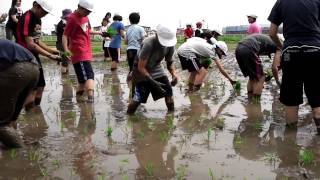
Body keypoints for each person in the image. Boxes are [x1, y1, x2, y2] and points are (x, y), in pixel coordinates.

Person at [268, 0, 320, 134]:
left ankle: (290, 140)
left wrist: (283, 46)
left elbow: (272, 33)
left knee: (291, 99)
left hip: (290, 53)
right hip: (315, 51)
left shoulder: (281, 2)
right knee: (317, 96)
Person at [16, 0, 61, 110]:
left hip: (34, 56)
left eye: (46, 13)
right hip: (24, 56)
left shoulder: (38, 20)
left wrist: (51, 50)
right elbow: (30, 44)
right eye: (43, 12)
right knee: (32, 89)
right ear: (36, 6)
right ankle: (29, 117)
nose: (44, 15)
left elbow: (37, 41)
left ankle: (37, 113)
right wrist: (49, 56)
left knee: (40, 86)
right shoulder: (27, 17)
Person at [127, 24, 178, 115]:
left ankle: (171, 117)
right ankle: (129, 116)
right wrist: (151, 81)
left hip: (156, 67)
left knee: (168, 93)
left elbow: (170, 62)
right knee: (138, 98)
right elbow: (141, 67)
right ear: (157, 35)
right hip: (140, 70)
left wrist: (174, 75)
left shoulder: (170, 45)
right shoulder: (149, 43)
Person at [0, 39, 39, 148]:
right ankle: (15, 141)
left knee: (1, 122)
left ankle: (20, 153)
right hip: (34, 68)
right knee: (11, 117)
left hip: (16, 69)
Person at [63, 0, 102, 103]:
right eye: (86, 11)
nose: (88, 13)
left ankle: (79, 101)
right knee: (89, 76)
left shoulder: (85, 17)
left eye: (89, 12)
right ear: (79, 7)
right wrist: (66, 50)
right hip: (79, 51)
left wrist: (100, 33)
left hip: (86, 50)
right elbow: (65, 35)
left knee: (81, 80)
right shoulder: (72, 18)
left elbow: (87, 31)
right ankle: (91, 103)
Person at [235, 34, 281, 101]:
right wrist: (277, 81)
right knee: (261, 78)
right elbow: (274, 67)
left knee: (252, 77)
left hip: (239, 48)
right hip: (249, 49)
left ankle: (250, 100)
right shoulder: (280, 45)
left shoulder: (268, 40)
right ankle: (255, 104)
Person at [125, 12, 146, 81]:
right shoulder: (141, 29)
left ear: (130, 20)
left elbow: (126, 42)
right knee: (138, 67)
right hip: (138, 50)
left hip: (129, 50)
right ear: (139, 20)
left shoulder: (127, 29)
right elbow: (144, 40)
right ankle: (136, 83)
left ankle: (130, 83)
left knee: (131, 67)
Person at [56, 9, 72, 74]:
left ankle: (66, 75)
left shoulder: (66, 23)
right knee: (65, 60)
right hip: (61, 45)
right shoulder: (61, 24)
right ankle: (64, 78)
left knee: (67, 60)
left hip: (66, 45)